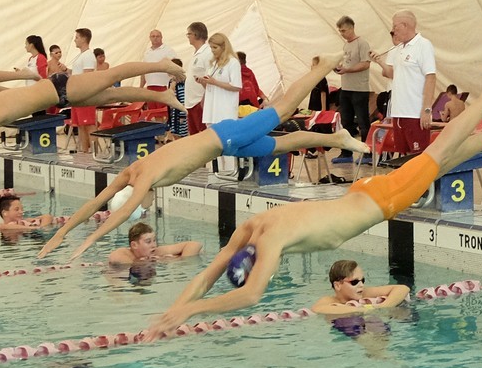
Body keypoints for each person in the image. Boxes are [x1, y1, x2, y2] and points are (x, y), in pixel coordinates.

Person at [143, 77, 482, 339]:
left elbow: (249, 296)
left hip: (379, 200)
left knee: (438, 152)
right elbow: (206, 278)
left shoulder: (269, 239)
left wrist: (191, 311)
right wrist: (173, 312)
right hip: (363, 191)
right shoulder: (251, 227)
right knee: (437, 164)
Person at [38, 57, 365, 260]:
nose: (146, 207)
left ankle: (321, 67)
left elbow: (120, 213)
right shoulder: (132, 172)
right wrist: (61, 234)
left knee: (283, 109)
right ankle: (335, 139)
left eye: (143, 205)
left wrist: (88, 242)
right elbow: (96, 203)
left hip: (226, 136)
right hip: (225, 146)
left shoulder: (144, 179)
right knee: (280, 146)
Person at [0, 59, 186, 219]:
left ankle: (162, 65)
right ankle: (163, 96)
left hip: (61, 88)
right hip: (58, 95)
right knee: (111, 95)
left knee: (113, 75)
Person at [371, 11, 437, 157]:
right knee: (403, 156)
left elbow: (431, 77)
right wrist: (379, 61)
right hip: (398, 113)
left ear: (405, 25)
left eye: (395, 26)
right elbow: (392, 74)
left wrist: (426, 110)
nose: (393, 30)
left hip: (415, 114)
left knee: (418, 157)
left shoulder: (423, 45)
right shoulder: (399, 48)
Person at [310, 259, 410, 314]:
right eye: (354, 282)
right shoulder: (329, 301)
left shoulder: (365, 293)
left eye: (362, 280)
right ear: (338, 285)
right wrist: (361, 309)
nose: (361, 285)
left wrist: (383, 306)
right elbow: (317, 309)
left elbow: (402, 288)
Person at [334, 16, 373, 144]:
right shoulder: (346, 45)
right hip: (346, 88)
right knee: (346, 121)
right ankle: (347, 151)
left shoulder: (362, 43)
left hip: (359, 89)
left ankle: (367, 149)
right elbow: (347, 63)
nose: (341, 33)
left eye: (343, 30)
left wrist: (347, 70)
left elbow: (365, 64)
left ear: (351, 28)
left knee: (363, 121)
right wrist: (339, 68)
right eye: (340, 31)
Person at [108, 221, 202, 269]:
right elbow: (116, 259)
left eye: (154, 240)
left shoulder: (156, 252)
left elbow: (195, 245)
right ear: (134, 245)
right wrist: (152, 261)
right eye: (148, 242)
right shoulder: (124, 253)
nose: (154, 245)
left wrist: (181, 260)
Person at [67, 28, 99, 155]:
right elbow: (77, 73)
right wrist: (67, 71)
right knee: (80, 124)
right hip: (77, 95)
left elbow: (87, 77)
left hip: (85, 95)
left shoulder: (88, 56)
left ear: (84, 39)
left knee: (89, 123)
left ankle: (94, 152)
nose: (75, 40)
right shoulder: (81, 56)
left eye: (77, 37)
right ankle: (84, 150)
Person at [181, 22, 211, 136]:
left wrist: (204, 98)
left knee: (203, 135)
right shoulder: (196, 54)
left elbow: (210, 77)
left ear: (195, 34)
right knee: (193, 136)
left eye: (189, 34)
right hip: (191, 102)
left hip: (200, 101)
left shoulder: (207, 53)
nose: (188, 37)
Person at [0, 194, 64, 236]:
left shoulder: (26, 221)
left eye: (22, 209)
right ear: (5, 213)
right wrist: (33, 228)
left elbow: (47, 216)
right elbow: (6, 227)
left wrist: (42, 228)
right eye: (17, 209)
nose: (21, 212)